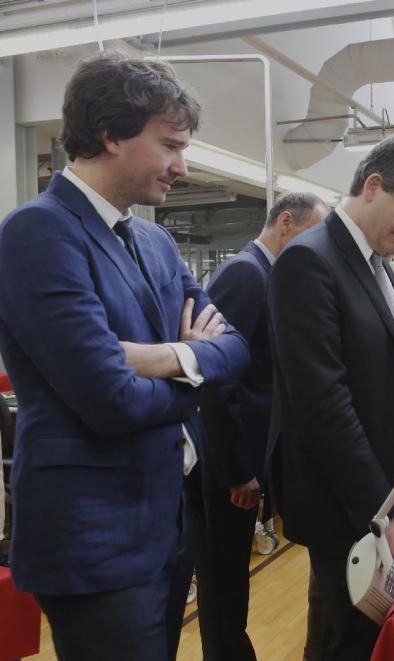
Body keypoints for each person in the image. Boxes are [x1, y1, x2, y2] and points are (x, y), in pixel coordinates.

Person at [0, 51, 249, 661]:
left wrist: (162, 357)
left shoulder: (155, 241)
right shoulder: (37, 232)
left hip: (165, 521)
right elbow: (110, 400)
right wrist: (195, 362)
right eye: (170, 145)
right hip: (93, 538)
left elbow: (237, 346)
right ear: (111, 134)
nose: (181, 167)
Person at [267, 133, 394, 660]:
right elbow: (324, 403)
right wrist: (383, 514)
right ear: (373, 186)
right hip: (351, 508)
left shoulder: (377, 264)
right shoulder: (310, 261)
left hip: (386, 498)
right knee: (345, 642)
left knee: (360, 637)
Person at [196, 192, 328, 661]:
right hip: (225, 460)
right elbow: (216, 379)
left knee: (231, 575)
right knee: (221, 576)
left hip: (246, 453)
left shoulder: (270, 275)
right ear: (286, 223)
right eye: (317, 232)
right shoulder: (245, 274)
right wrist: (236, 469)